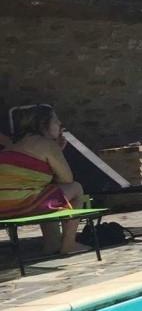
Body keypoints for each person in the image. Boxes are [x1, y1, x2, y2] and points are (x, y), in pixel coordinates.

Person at [0, 105, 89, 255]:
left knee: (48, 193)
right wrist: (58, 151)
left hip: (4, 207)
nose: (60, 123)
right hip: (24, 205)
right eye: (55, 120)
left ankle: (52, 244)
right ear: (43, 125)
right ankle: (69, 244)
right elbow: (67, 179)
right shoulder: (46, 145)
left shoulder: (13, 145)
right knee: (76, 188)